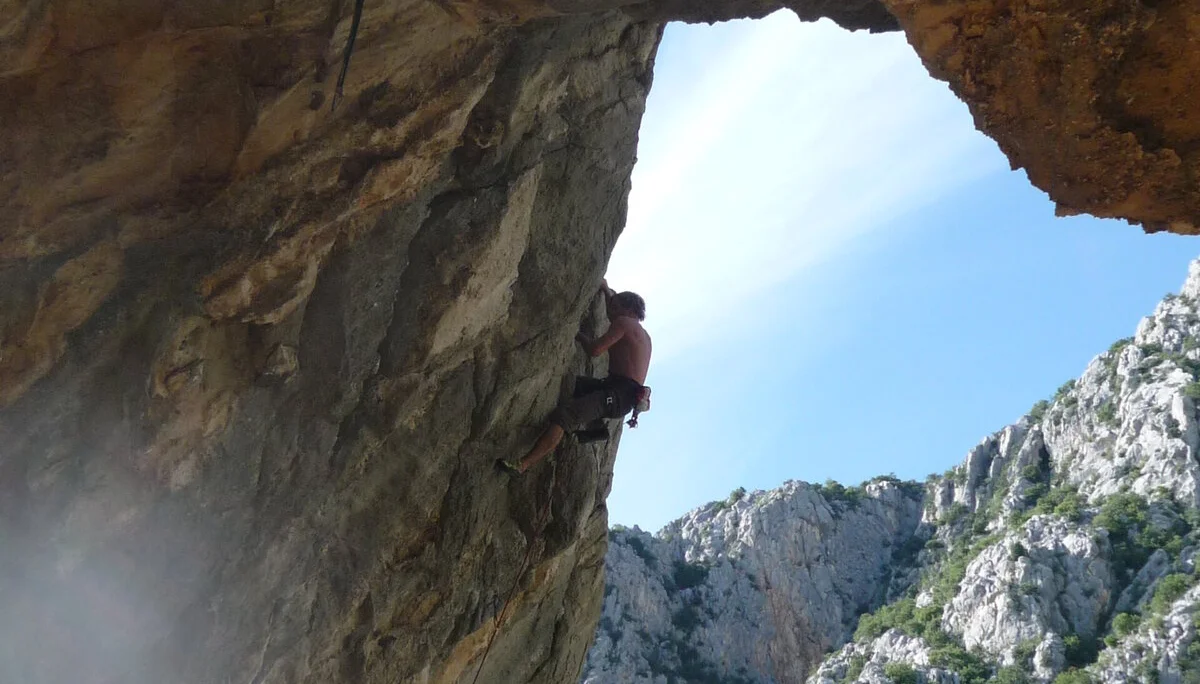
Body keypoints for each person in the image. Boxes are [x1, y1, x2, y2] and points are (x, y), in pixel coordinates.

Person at [498, 279, 652, 475]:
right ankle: (595, 426)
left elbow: (595, 350)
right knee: (576, 385)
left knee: (565, 416)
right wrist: (605, 291)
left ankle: (522, 465)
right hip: (621, 392)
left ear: (628, 309)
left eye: (614, 308)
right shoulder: (642, 334)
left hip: (618, 394)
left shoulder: (623, 322)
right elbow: (615, 307)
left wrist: (578, 335)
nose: (610, 313)